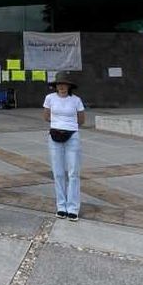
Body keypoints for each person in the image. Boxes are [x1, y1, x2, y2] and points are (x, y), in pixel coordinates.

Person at [43, 71, 85, 221]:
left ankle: (73, 207)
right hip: (55, 135)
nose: (62, 87)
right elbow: (46, 116)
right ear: (56, 86)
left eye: (64, 84)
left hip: (72, 135)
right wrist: (58, 124)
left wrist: (68, 126)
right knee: (58, 172)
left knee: (73, 172)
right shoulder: (50, 98)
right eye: (59, 84)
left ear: (69, 86)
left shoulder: (76, 100)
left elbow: (81, 119)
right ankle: (61, 206)